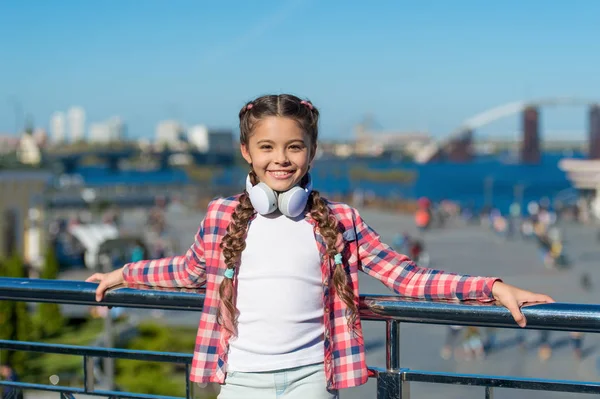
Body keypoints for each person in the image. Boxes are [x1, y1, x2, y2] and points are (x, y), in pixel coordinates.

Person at [86, 94, 555, 399]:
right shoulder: (220, 215)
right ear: (247, 152)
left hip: (313, 379)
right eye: (267, 147)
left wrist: (490, 288)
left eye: (294, 147)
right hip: (241, 380)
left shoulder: (339, 220)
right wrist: (125, 274)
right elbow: (186, 270)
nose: (281, 159)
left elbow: (406, 277)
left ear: (311, 151)